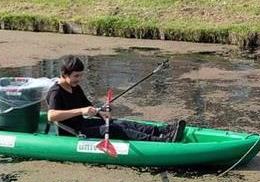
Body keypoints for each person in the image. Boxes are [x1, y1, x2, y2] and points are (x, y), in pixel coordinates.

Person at [46, 55, 185, 142]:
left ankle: (162, 131)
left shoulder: (75, 87)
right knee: (115, 129)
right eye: (76, 76)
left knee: (121, 123)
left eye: (80, 75)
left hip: (83, 124)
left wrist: (101, 113)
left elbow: (88, 106)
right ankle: (159, 140)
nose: (79, 79)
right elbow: (51, 116)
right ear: (64, 74)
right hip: (73, 132)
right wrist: (81, 111)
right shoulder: (56, 92)